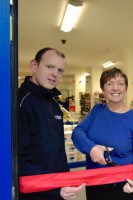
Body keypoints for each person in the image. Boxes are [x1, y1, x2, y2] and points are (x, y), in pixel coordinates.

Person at [18, 47, 85, 200]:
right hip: (35, 193)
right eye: (49, 67)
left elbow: (58, 152)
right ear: (34, 66)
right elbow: (19, 160)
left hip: (58, 189)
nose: (55, 74)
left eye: (60, 70)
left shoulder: (54, 104)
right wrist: (54, 187)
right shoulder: (20, 103)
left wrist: (65, 180)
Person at [72, 67, 133, 200]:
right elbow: (77, 132)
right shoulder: (97, 110)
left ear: (125, 88)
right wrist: (92, 148)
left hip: (122, 186)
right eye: (109, 84)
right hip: (94, 183)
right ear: (103, 90)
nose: (115, 88)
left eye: (120, 83)